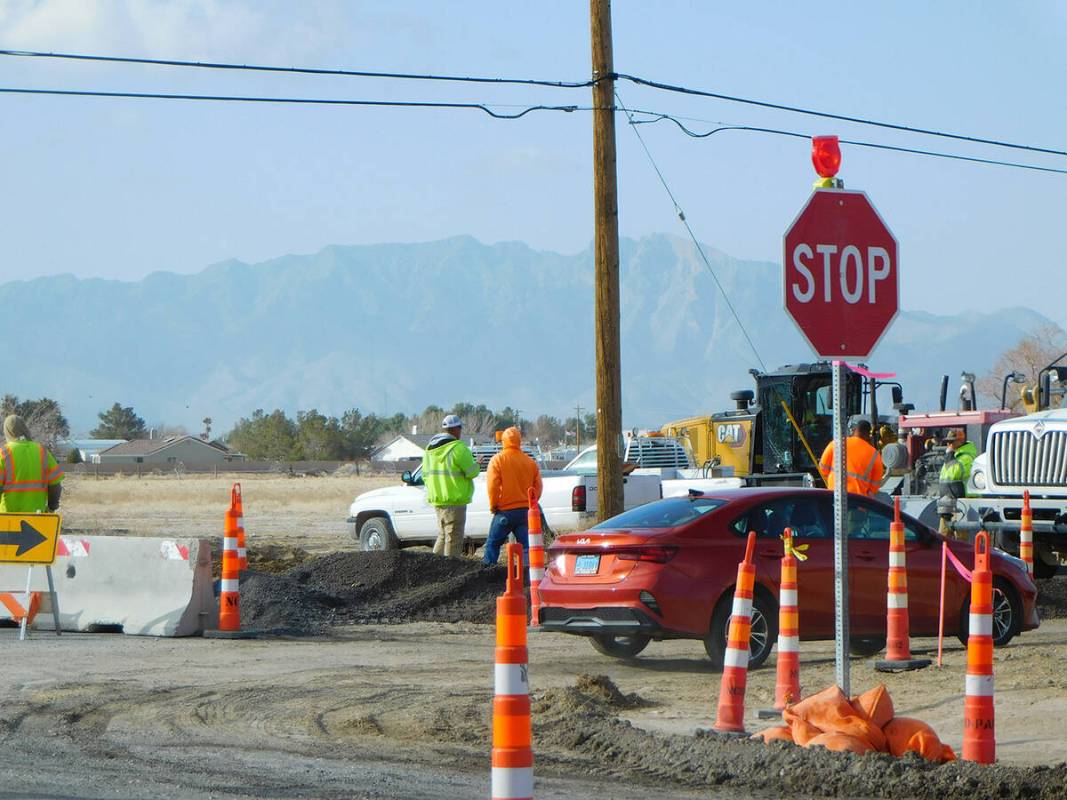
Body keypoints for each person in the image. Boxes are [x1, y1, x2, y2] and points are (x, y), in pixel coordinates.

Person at [422, 414, 479, 558]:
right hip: (455, 502)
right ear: (455, 429)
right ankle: (450, 571)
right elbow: (471, 473)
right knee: (453, 539)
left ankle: (431, 566)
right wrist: (477, 464)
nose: (460, 432)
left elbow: (425, 475)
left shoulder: (429, 450)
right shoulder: (458, 448)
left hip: (438, 501)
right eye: (460, 428)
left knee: (443, 535)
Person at [483, 426, 543, 566]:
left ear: (503, 441)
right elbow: (538, 487)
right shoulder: (530, 462)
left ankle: (486, 575)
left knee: (493, 545)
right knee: (528, 547)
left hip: (504, 512)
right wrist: (531, 503)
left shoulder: (497, 460)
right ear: (519, 441)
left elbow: (493, 486)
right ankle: (529, 575)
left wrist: (494, 505)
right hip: (525, 512)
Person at [0, 415, 63, 513]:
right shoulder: (42, 452)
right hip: (37, 518)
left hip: (8, 519)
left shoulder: (3, 454)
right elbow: (55, 486)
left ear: (7, 432)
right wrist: (52, 507)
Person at [818, 418, 885, 496]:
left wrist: (832, 483)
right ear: (868, 435)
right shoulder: (875, 454)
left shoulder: (836, 443)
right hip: (857, 501)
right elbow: (875, 485)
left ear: (854, 431)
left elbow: (823, 468)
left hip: (835, 496)